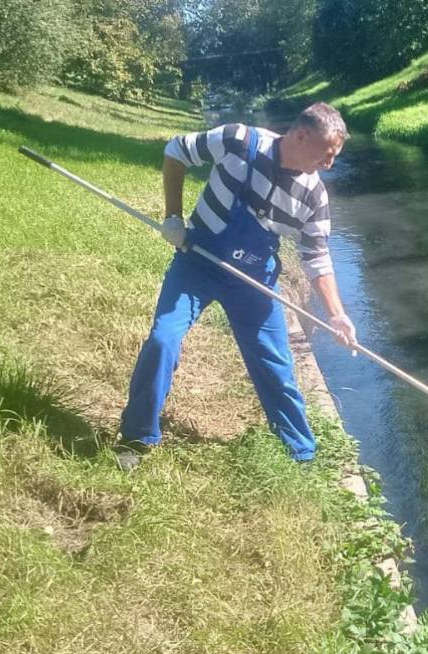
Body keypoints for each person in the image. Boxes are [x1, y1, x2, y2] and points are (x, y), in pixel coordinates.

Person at [115, 102, 356, 470]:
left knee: (275, 365)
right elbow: (175, 151)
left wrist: (338, 315)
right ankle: (136, 436)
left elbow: (317, 258)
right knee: (163, 339)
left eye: (335, 157)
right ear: (302, 135)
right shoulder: (238, 140)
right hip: (198, 262)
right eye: (327, 155)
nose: (329, 165)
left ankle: (301, 454)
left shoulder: (314, 196)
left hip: (253, 281)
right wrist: (173, 216)